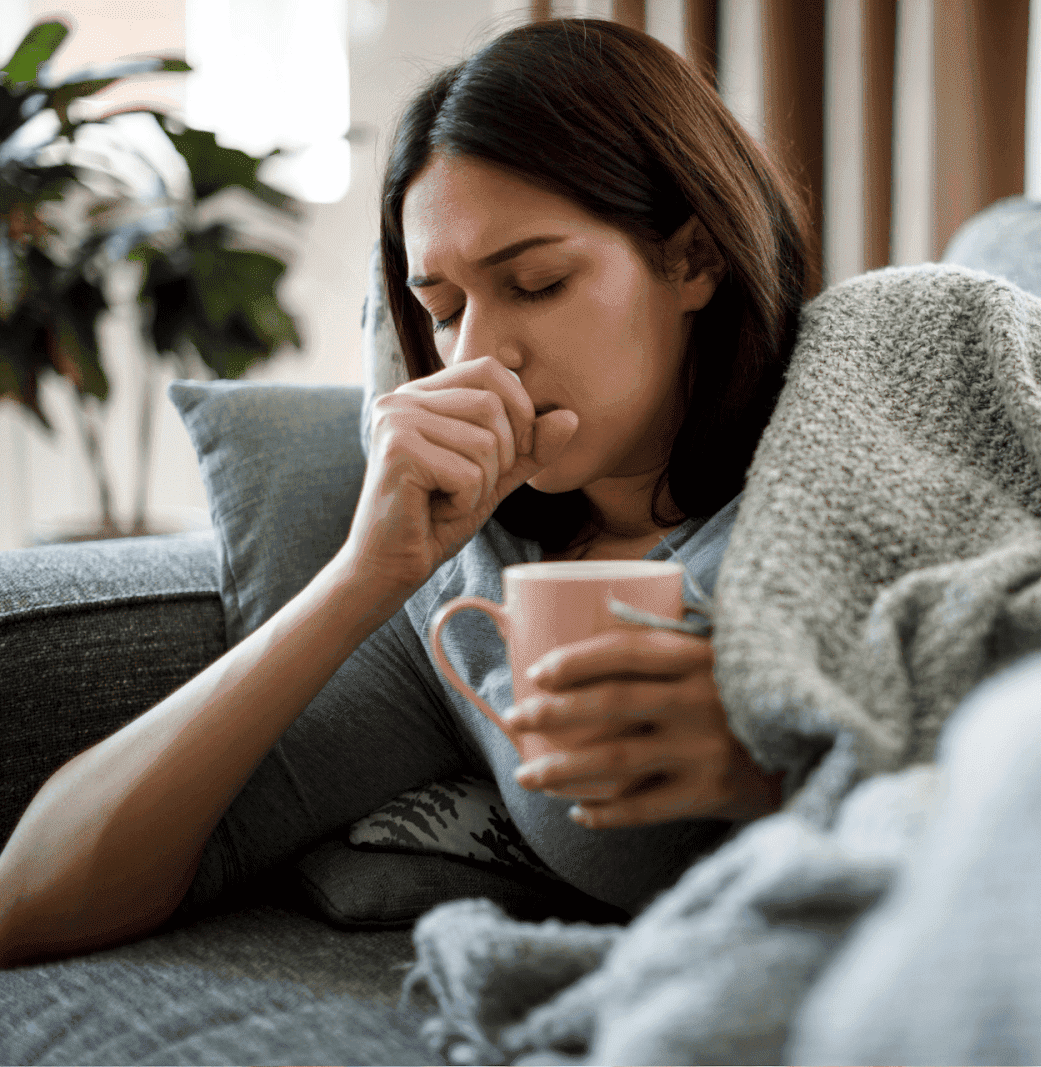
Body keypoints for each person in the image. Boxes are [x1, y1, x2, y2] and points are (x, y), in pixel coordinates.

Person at [0, 18, 811, 968]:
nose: (477, 358)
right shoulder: (465, 596)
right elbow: (30, 899)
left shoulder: (849, 456)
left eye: (538, 283)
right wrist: (363, 575)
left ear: (695, 259)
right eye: (445, 311)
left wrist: (780, 771)